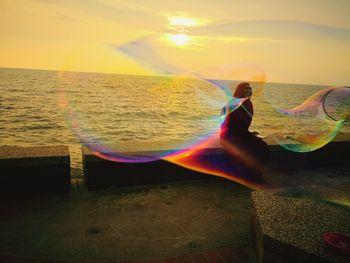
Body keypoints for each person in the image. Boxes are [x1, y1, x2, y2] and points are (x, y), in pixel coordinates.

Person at [220, 82, 269, 183]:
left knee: (263, 146)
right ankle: (245, 177)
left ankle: (256, 175)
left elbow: (244, 125)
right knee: (247, 150)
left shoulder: (249, 105)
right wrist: (245, 134)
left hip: (242, 135)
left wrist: (250, 133)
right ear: (239, 91)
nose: (249, 91)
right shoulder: (230, 105)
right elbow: (225, 126)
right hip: (229, 136)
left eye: (250, 89)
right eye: (246, 88)